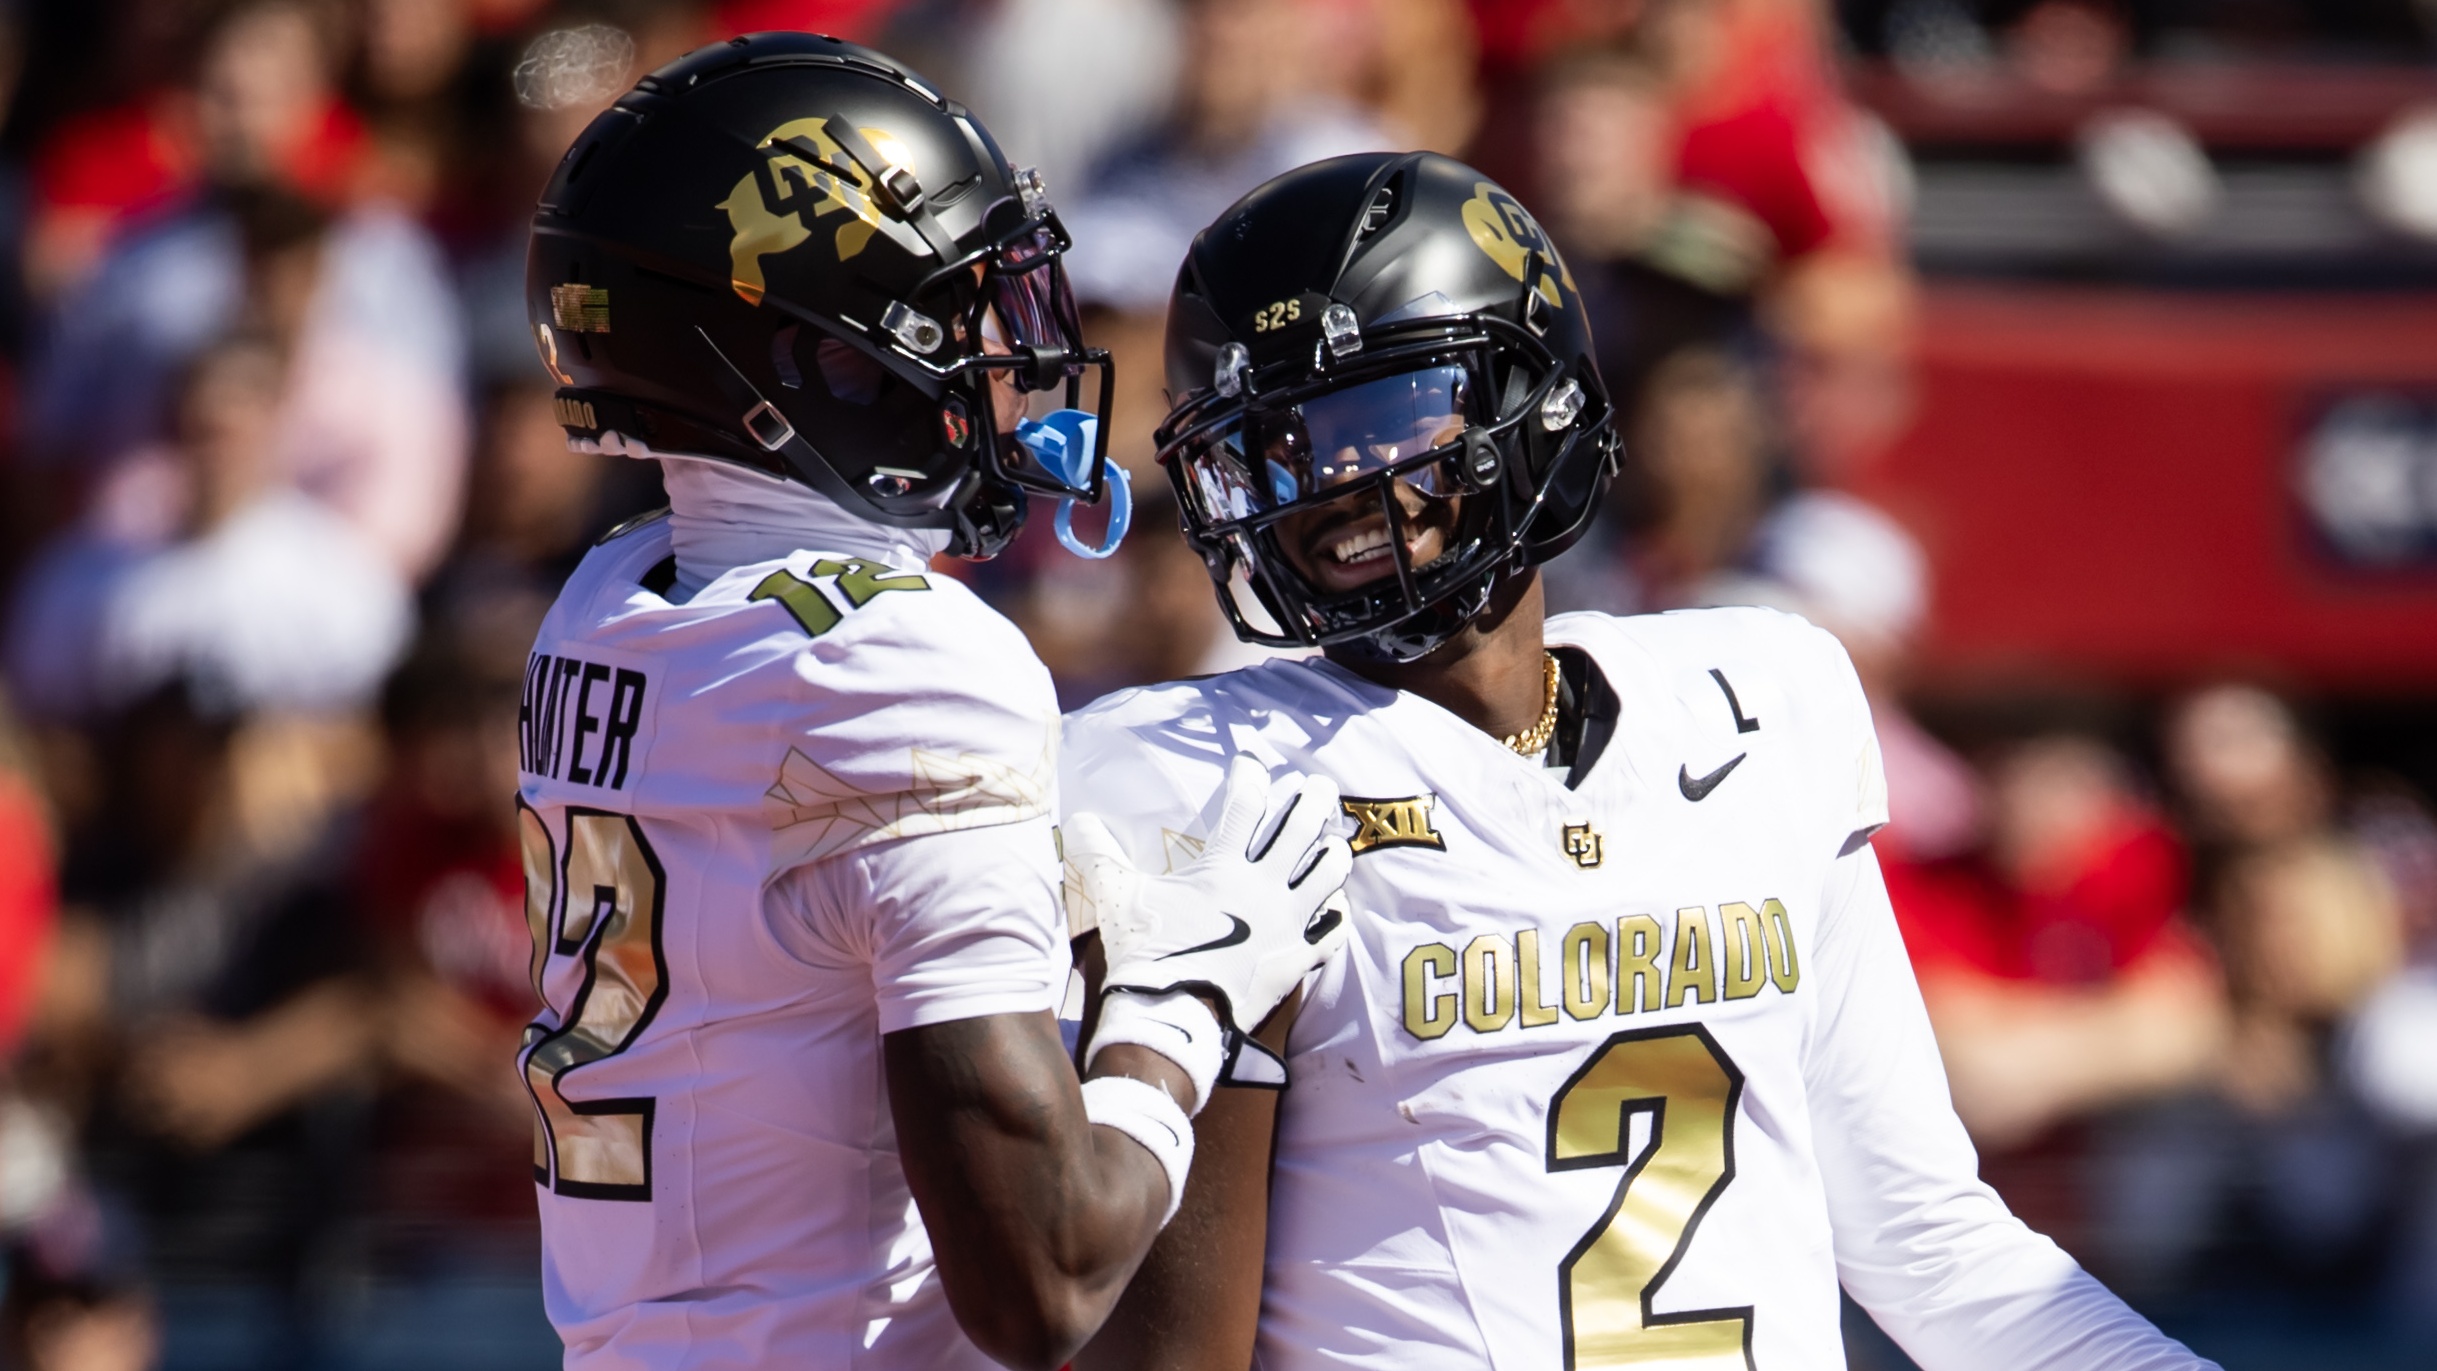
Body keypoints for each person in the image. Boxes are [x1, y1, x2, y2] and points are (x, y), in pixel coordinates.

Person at [1057, 151, 2215, 1370]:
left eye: (1382, 416)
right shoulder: (1184, 776)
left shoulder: (1761, 703)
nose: (1334, 481)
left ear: (1534, 396)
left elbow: (1928, 1244)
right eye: (1278, 443)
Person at [514, 33, 1352, 1371]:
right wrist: (1180, 1004)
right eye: (948, 320)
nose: (995, 360)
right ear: (804, 363)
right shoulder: (901, 663)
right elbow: (1043, 1278)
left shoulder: (610, 598)